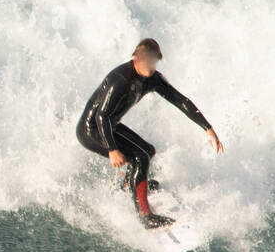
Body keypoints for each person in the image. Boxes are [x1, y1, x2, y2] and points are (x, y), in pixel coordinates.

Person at [76, 38, 224, 228]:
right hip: (92, 130)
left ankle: (130, 185)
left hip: (109, 126)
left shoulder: (152, 78)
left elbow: (180, 100)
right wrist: (112, 149)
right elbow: (102, 116)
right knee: (140, 158)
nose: (152, 68)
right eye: (149, 63)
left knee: (148, 151)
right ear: (136, 59)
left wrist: (207, 127)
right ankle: (145, 216)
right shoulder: (120, 80)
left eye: (155, 63)